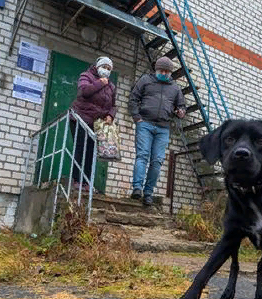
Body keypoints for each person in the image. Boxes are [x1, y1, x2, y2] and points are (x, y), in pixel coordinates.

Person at [129, 56, 186, 206]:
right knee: (142, 155)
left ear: (170, 72)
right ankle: (137, 188)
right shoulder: (145, 80)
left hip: (163, 128)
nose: (164, 73)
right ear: (156, 70)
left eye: (167, 71)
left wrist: (181, 112)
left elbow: (181, 106)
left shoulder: (175, 88)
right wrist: (137, 117)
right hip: (145, 124)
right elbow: (133, 98)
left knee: (157, 161)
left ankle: (148, 193)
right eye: (162, 70)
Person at [69, 56, 117, 192]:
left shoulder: (111, 86)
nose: (106, 71)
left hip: (96, 123)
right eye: (104, 67)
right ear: (97, 67)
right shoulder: (86, 76)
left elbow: (113, 105)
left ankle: (87, 182)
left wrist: (110, 115)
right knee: (81, 149)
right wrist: (100, 83)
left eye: (109, 69)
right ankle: (77, 180)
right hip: (80, 118)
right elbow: (84, 92)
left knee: (91, 152)